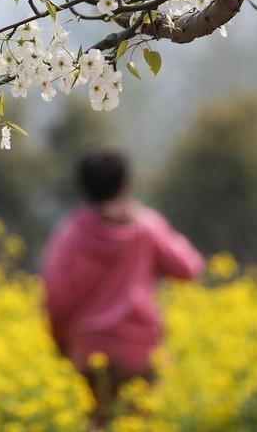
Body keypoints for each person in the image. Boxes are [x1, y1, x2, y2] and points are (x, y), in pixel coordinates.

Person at [42, 149, 203, 425]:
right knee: (139, 422)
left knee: (99, 422)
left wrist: (62, 344)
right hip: (139, 348)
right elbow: (188, 267)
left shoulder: (71, 234)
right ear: (126, 183)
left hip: (89, 348)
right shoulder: (146, 226)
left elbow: (56, 298)